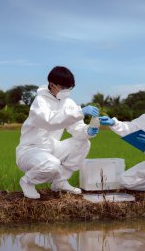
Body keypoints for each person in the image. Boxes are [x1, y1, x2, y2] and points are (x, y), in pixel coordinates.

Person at [16, 66, 99, 199]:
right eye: (62, 87)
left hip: (51, 147)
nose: (66, 91)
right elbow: (50, 122)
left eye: (69, 88)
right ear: (51, 84)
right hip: (31, 150)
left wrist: (87, 130)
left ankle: (60, 182)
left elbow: (76, 128)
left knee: (83, 143)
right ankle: (27, 182)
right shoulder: (40, 101)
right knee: (52, 164)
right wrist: (80, 112)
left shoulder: (68, 102)